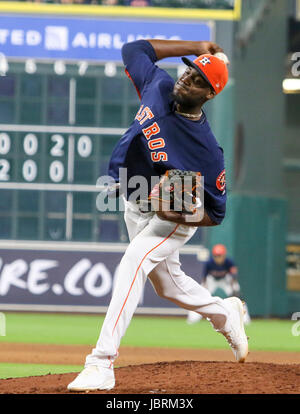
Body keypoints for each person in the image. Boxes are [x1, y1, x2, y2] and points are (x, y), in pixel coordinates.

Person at [67, 38, 248, 392]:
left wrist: (180, 213)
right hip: (134, 201)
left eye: (198, 80)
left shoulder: (207, 150)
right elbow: (135, 49)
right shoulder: (159, 84)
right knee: (168, 285)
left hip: (174, 217)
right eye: (189, 70)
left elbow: (215, 213)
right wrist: (198, 46)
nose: (187, 79)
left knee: (134, 260)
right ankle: (225, 313)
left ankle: (101, 363)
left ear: (209, 94)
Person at [186, 244, 251, 325]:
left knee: (238, 296)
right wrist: (204, 289)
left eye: (220, 255)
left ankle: (245, 319)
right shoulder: (209, 263)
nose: (218, 258)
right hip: (212, 280)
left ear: (224, 255)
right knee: (199, 296)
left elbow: (234, 276)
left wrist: (234, 288)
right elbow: (205, 278)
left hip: (225, 280)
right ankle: (192, 319)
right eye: (216, 256)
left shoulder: (229, 262)